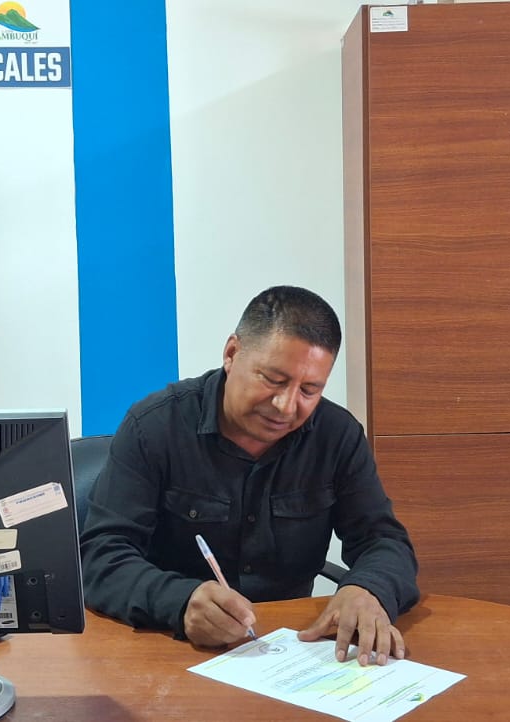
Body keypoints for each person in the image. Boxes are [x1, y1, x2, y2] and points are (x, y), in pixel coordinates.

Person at [79, 285, 419, 667]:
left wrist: (367, 588)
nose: (286, 406)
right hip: (169, 649)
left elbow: (384, 540)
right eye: (273, 379)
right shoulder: (155, 427)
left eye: (309, 390)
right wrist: (180, 601)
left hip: (292, 652)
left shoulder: (336, 436)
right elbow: (101, 557)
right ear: (231, 353)